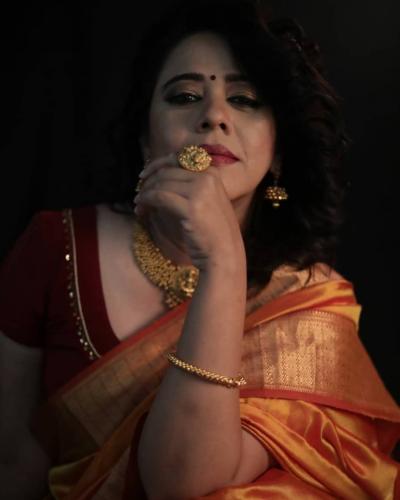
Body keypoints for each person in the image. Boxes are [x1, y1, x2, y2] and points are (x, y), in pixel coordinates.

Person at [1, 0, 399, 498]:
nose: (213, 116)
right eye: (185, 96)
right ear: (146, 139)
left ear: (277, 152)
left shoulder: (307, 306)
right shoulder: (57, 246)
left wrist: (223, 266)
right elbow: (12, 460)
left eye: (245, 100)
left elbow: (183, 485)